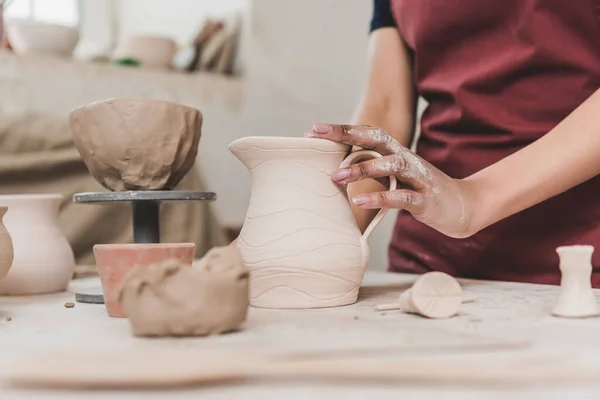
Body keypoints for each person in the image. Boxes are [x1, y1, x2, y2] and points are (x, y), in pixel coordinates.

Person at [305, 0, 600, 286]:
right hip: (430, 261)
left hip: (578, 260)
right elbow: (386, 108)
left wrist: (475, 199)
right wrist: (331, 243)